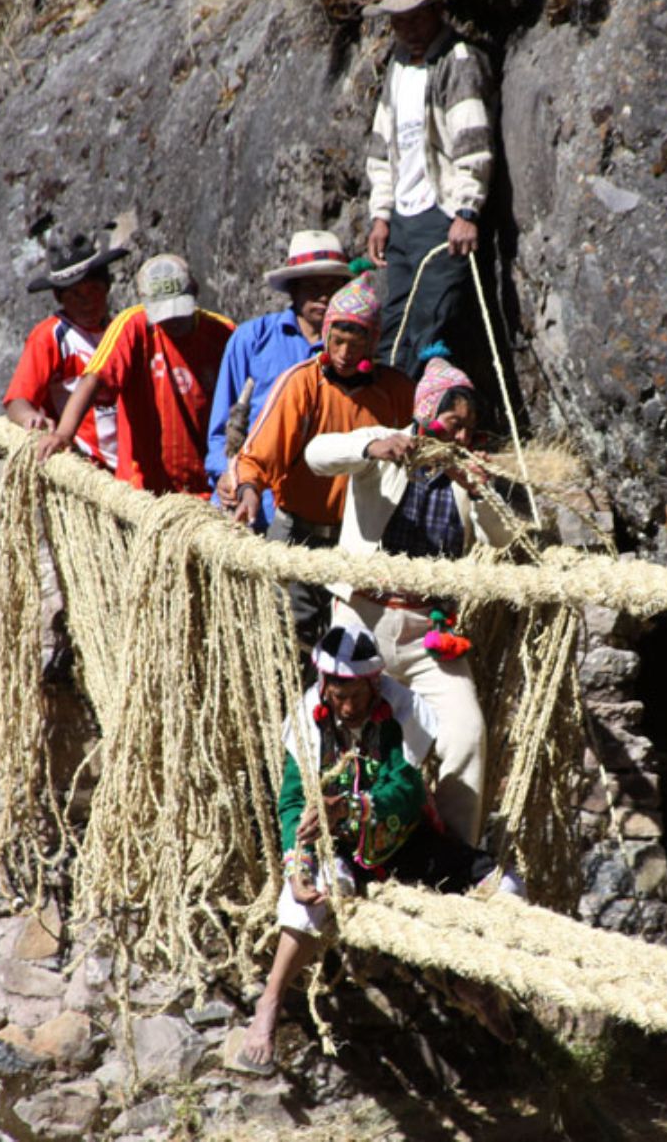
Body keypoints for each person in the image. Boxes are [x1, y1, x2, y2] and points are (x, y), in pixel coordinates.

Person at [230, 625, 520, 1075]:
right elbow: (291, 802)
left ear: (374, 684)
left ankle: (478, 977)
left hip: (406, 840)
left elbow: (405, 790)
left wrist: (348, 805)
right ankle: (269, 1005)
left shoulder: (402, 709)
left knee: (503, 884)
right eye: (337, 696)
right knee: (303, 903)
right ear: (324, 684)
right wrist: (297, 868)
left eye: (356, 698)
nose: (346, 708)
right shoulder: (308, 717)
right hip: (339, 850)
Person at [305, 346, 511, 845]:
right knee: (344, 733)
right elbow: (316, 455)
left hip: (428, 634)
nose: (461, 436)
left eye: (468, 427)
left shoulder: (467, 475)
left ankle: (455, 850)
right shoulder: (383, 444)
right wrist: (370, 449)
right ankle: (336, 843)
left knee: (467, 732)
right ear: (426, 415)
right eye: (452, 422)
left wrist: (479, 490)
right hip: (362, 621)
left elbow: (503, 538)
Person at [231, 273, 414, 645]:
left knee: (353, 646)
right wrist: (249, 489)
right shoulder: (300, 383)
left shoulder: (395, 390)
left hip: (361, 544)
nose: (346, 353)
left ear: (373, 343)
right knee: (287, 641)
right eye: (339, 340)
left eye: (356, 343)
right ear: (326, 336)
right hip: (297, 535)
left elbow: (424, 439)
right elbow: (259, 453)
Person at [362, 0, 496, 372]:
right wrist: (380, 216)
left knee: (430, 325)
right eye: (399, 21)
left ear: (436, 11)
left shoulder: (457, 62)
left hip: (441, 216)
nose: (408, 28)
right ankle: (392, 420)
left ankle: (425, 424)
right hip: (403, 219)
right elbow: (383, 147)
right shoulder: (398, 67)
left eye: (417, 17)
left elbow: (472, 140)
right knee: (393, 325)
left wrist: (466, 211)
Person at [36, 254, 234, 494]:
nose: (172, 321)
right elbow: (95, 378)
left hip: (206, 486)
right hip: (143, 489)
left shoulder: (223, 334)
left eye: (179, 311)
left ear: (195, 292)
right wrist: (64, 434)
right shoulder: (133, 326)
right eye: (164, 314)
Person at [205, 231, 354, 526]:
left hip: (319, 509)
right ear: (294, 290)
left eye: (332, 287)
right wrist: (227, 473)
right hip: (251, 503)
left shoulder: (351, 354)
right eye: (313, 286)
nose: (324, 297)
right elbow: (222, 429)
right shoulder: (252, 339)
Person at [1, 229, 129, 466]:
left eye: (93, 290)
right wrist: (29, 417)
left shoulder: (123, 332)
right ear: (60, 298)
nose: (86, 302)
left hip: (130, 464)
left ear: (107, 287)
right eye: (75, 295)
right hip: (86, 461)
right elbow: (17, 399)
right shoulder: (51, 336)